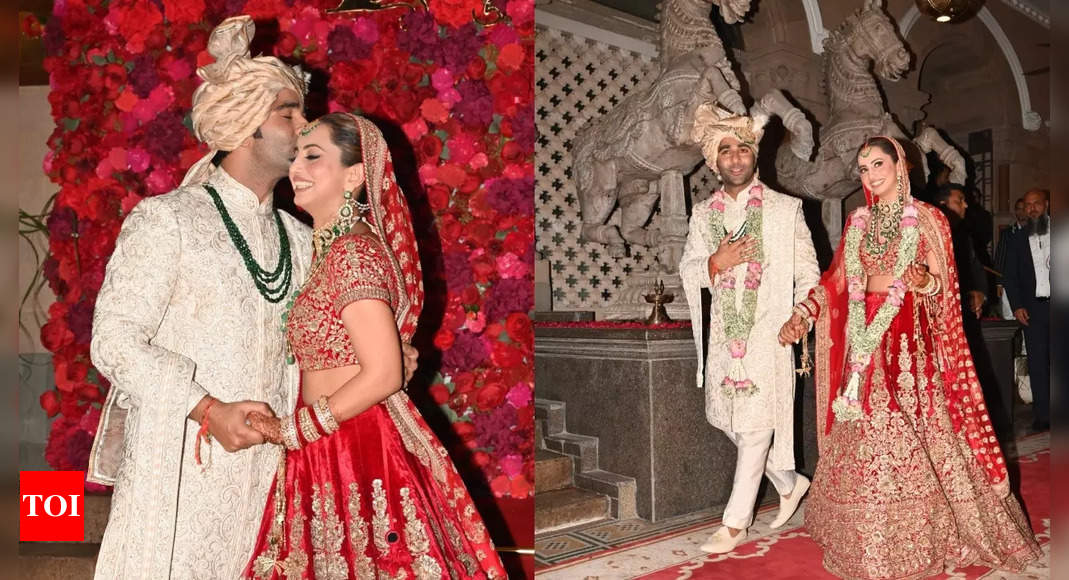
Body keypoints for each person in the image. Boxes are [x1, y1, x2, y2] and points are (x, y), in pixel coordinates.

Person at [87, 17, 417, 578]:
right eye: (287, 113)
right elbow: (113, 343)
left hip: (276, 479)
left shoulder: (301, 238)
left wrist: (379, 359)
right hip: (183, 474)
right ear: (243, 127)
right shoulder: (169, 220)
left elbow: (317, 351)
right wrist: (208, 410)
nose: (303, 126)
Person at [243, 113, 506, 579]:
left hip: (355, 445)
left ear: (355, 175)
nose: (296, 167)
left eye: (313, 157)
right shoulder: (332, 249)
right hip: (330, 439)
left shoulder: (351, 252)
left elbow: (383, 372)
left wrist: (297, 430)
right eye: (297, 156)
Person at [783, 136, 1040, 579]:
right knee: (864, 434)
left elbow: (945, 287)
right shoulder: (857, 220)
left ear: (899, 164)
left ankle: (918, 534)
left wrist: (922, 282)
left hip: (909, 345)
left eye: (878, 164)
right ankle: (866, 536)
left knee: (907, 430)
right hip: (864, 344)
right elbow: (838, 277)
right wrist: (805, 312)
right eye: (863, 169)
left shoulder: (927, 218)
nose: (870, 175)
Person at [679, 104, 820, 554]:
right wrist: (716, 262)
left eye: (744, 148)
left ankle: (734, 524)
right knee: (728, 419)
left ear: (755, 155)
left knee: (758, 427)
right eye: (726, 150)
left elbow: (810, 273)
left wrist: (801, 315)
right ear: (714, 160)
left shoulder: (785, 210)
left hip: (770, 332)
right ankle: (789, 480)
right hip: (725, 334)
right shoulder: (703, 215)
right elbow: (688, 269)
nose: (736, 157)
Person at [1002, 188, 1051, 432]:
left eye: (1037, 204)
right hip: (1033, 310)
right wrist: (1018, 305)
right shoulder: (1017, 239)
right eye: (1028, 204)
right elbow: (1010, 277)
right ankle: (1043, 416)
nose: (1032, 208)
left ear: (1047, 205)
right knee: (1038, 363)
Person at [934, 183, 987, 319]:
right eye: (959, 201)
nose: (966, 205)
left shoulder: (964, 236)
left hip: (962, 307)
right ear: (942, 204)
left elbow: (976, 267)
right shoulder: (929, 234)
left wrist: (980, 292)